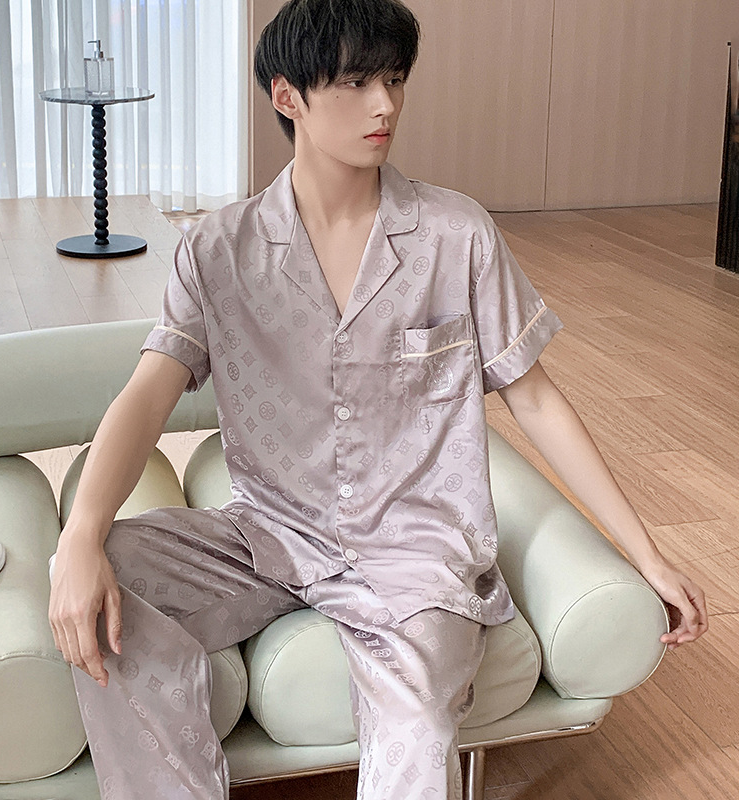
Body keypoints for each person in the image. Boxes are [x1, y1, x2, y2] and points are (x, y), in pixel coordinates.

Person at [48, 1, 708, 798]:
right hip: (269, 535)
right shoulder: (218, 251)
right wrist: (81, 536)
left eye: (394, 80)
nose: (385, 105)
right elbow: (146, 395)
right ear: (287, 96)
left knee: (417, 724)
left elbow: (537, 401)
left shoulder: (456, 234)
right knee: (100, 573)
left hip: (416, 555)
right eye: (356, 83)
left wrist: (647, 557)